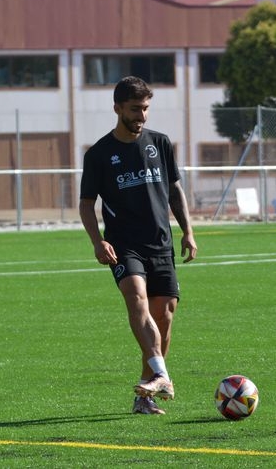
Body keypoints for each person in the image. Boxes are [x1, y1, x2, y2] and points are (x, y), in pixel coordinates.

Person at [79, 75, 198, 415]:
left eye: (145, 109)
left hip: (160, 243)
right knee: (137, 300)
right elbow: (87, 203)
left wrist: (188, 231)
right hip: (123, 245)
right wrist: (97, 240)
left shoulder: (160, 143)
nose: (141, 116)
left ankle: (146, 394)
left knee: (165, 316)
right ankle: (163, 375)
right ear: (117, 108)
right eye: (134, 109)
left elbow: (175, 190)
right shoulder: (100, 154)